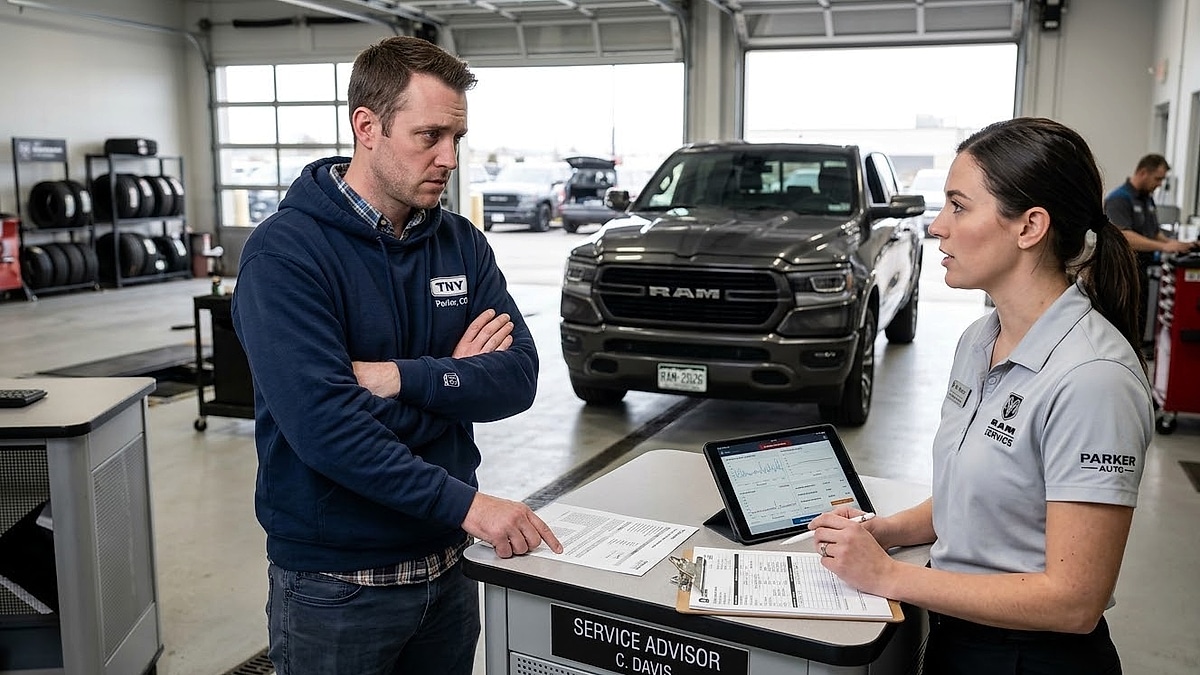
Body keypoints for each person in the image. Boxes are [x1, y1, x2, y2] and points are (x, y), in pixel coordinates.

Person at [231, 36, 562, 675]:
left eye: (458, 139)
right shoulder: (286, 256)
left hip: (448, 568)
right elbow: (327, 432)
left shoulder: (459, 243)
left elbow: (517, 378)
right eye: (429, 136)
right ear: (368, 127)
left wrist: (392, 379)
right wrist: (456, 399)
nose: (449, 158)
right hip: (339, 586)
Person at [807, 117, 1154, 674]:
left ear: (1029, 227)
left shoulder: (1093, 378)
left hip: (1031, 658)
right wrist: (883, 532)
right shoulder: (980, 340)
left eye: (959, 206)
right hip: (957, 637)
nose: (938, 226)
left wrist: (889, 576)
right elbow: (975, 502)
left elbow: (1075, 601)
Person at [1103, 154, 1197, 344]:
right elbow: (1124, 237)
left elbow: (1153, 232)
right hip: (1122, 270)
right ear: (1143, 172)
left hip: (1141, 269)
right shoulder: (1119, 199)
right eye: (1158, 178)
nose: (1160, 184)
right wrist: (1166, 246)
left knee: (1138, 318)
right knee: (1120, 321)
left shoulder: (1147, 200)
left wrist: (1178, 245)